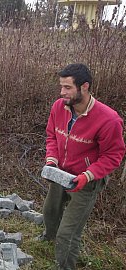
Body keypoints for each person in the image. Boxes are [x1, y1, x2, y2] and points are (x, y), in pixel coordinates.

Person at [42, 63, 125, 269]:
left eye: (68, 87)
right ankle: (49, 238)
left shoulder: (108, 119)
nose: (62, 93)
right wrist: (52, 160)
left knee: (68, 233)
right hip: (61, 171)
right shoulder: (59, 107)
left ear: (84, 87)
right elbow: (52, 135)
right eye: (61, 87)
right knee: (50, 211)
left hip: (87, 179)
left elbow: (113, 155)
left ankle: (65, 264)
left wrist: (87, 176)